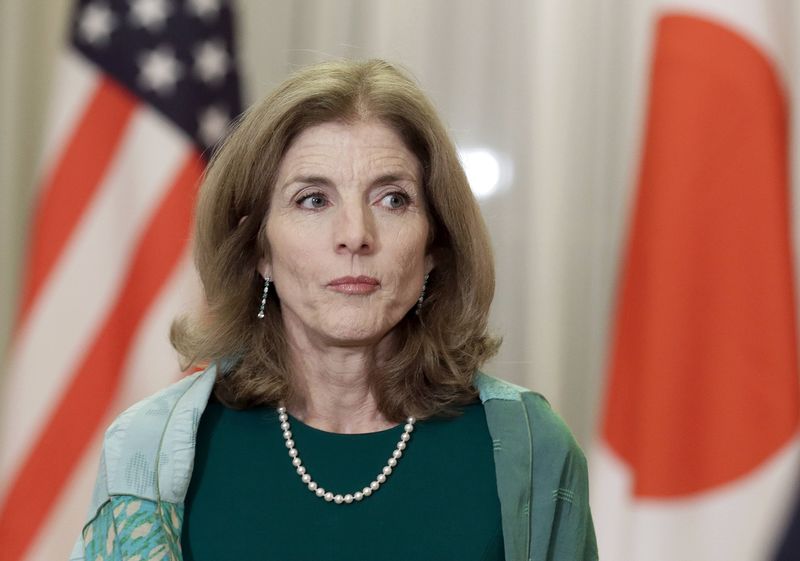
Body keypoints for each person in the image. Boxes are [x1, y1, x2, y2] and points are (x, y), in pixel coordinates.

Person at [71, 59, 598, 561]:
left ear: (435, 243)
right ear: (258, 247)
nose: (354, 236)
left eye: (392, 199)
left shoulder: (531, 448)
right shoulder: (148, 451)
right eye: (313, 200)